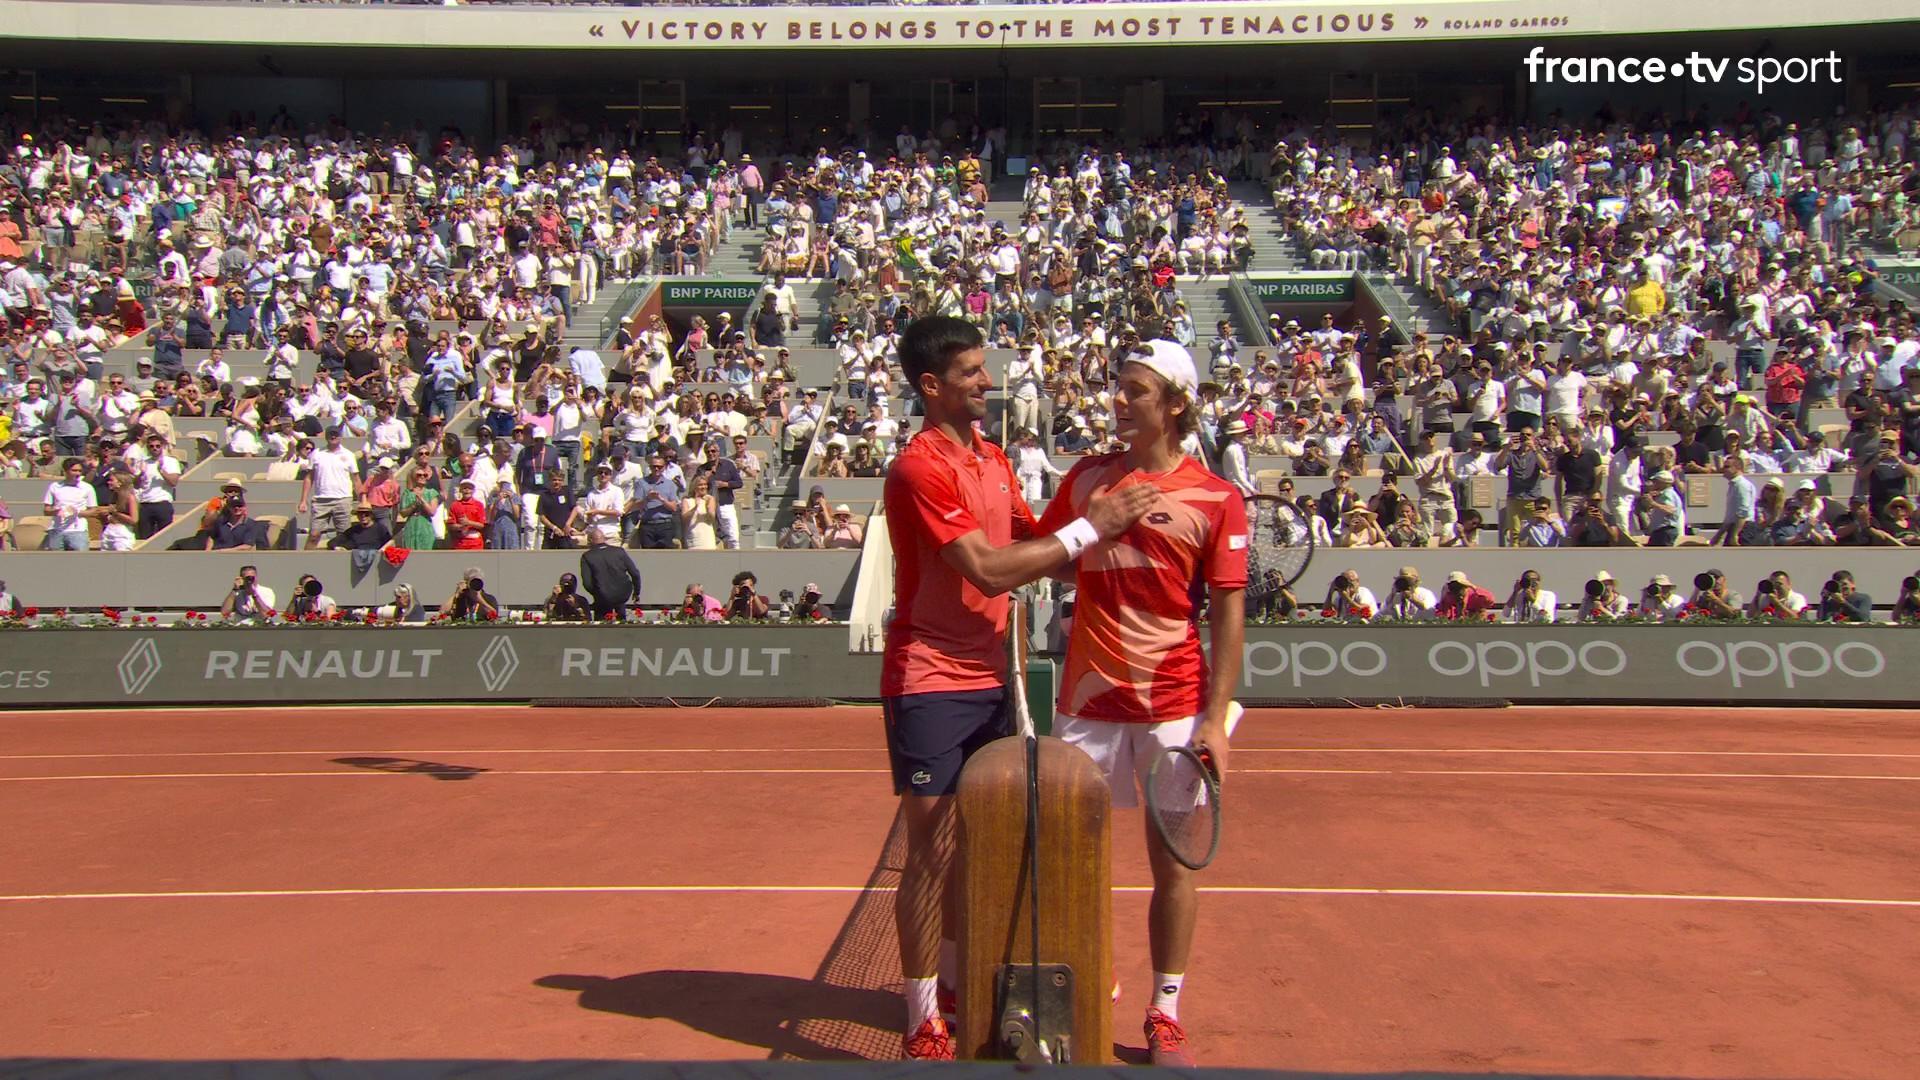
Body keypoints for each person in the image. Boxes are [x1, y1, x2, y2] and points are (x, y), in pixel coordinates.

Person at [881, 316, 1154, 1060]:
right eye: (971, 372)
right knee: (930, 852)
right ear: (931, 386)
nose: (987, 381)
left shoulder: (995, 460)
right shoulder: (918, 467)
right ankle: (920, 1016)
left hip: (991, 675)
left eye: (984, 368)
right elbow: (990, 569)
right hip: (931, 680)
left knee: (982, 842)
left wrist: (1119, 532)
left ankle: (960, 980)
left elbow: (1043, 551)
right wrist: (1086, 529)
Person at [1037, 337, 1246, 1066]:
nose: (1118, 401)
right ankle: (1092, 975)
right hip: (1086, 703)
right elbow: (1044, 556)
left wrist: (1217, 720)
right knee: (1069, 860)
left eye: (1135, 390)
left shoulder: (1217, 498)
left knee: (1174, 867)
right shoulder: (1088, 476)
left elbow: (1227, 617)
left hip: (1175, 707)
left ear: (1176, 404)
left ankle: (1166, 1011)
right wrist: (1093, 537)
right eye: (1117, 388)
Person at [579, 535, 643, 620]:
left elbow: (587, 583)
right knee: (621, 621)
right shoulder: (619, 551)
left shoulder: (588, 556)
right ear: (604, 539)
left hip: (602, 596)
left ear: (590, 540)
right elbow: (635, 573)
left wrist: (597, 594)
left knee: (602, 624)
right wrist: (636, 592)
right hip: (622, 594)